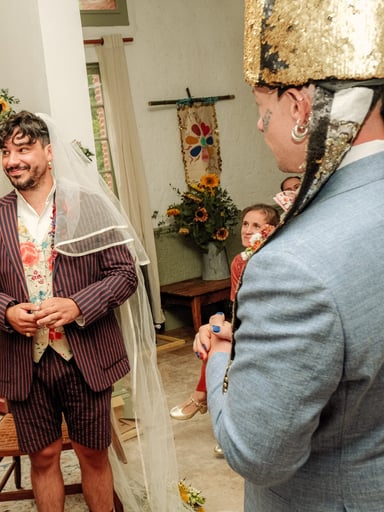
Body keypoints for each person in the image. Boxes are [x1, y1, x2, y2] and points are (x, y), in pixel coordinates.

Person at [193, 1, 384, 510]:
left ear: (300, 110)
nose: (260, 126)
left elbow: (257, 453)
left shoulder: (293, 265)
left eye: (263, 109)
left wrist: (222, 353)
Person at [0, 111, 178, 511]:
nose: (12, 160)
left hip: (85, 357)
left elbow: (125, 274)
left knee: (93, 454)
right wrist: (7, 311)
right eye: (5, 152)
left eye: (23, 149)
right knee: (42, 457)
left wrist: (77, 305)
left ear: (49, 152)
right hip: (25, 362)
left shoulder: (88, 206)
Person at [169, 203, 279, 457]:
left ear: (270, 230)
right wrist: (221, 323)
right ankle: (222, 418)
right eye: (245, 224)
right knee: (213, 331)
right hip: (244, 323)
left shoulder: (273, 260)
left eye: (256, 225)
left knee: (219, 338)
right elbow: (236, 305)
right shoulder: (240, 261)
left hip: (267, 329)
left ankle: (202, 398)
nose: (247, 230)